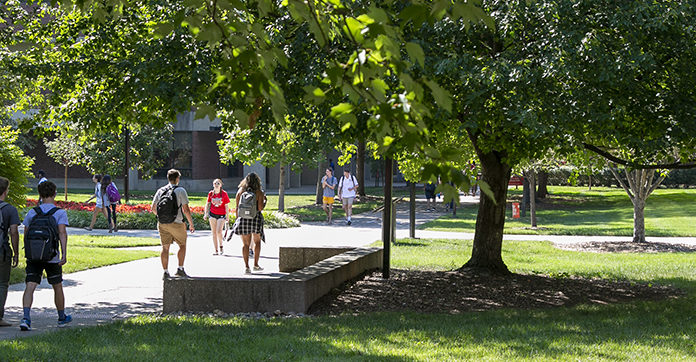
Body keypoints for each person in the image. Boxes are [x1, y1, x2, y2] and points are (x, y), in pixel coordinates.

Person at [19, 180, 72, 331]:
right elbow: (62, 233)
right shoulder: (59, 213)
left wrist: (28, 252)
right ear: (55, 194)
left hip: (34, 256)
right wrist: (64, 253)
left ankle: (26, 317)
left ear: (40, 194)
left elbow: (26, 233)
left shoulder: (32, 212)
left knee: (30, 285)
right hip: (52, 256)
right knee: (57, 286)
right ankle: (61, 317)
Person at [152, 169, 195, 279]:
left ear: (168, 178)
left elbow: (153, 208)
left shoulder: (160, 190)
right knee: (182, 245)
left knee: (165, 248)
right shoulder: (181, 190)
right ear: (177, 179)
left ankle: (165, 272)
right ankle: (180, 269)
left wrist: (161, 217)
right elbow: (186, 210)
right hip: (177, 223)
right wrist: (191, 224)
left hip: (162, 224)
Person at [231, 173, 266, 274]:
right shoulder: (259, 192)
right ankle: (256, 264)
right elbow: (260, 208)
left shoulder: (240, 191)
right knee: (257, 242)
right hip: (255, 218)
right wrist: (264, 202)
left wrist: (237, 219)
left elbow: (237, 207)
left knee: (246, 244)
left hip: (243, 219)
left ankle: (247, 267)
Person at [0, 176, 20, 327]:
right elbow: (14, 232)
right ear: (5, 191)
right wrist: (16, 252)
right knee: (2, 284)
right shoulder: (10, 210)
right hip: (2, 251)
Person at [204, 178, 230, 255]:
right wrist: (206, 213)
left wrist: (227, 216)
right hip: (212, 214)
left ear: (221, 185)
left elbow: (226, 206)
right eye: (215, 183)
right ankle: (216, 250)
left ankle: (221, 245)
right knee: (214, 233)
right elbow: (208, 204)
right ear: (213, 185)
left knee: (219, 232)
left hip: (221, 215)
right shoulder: (211, 194)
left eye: (218, 183)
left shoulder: (224, 194)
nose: (216, 184)